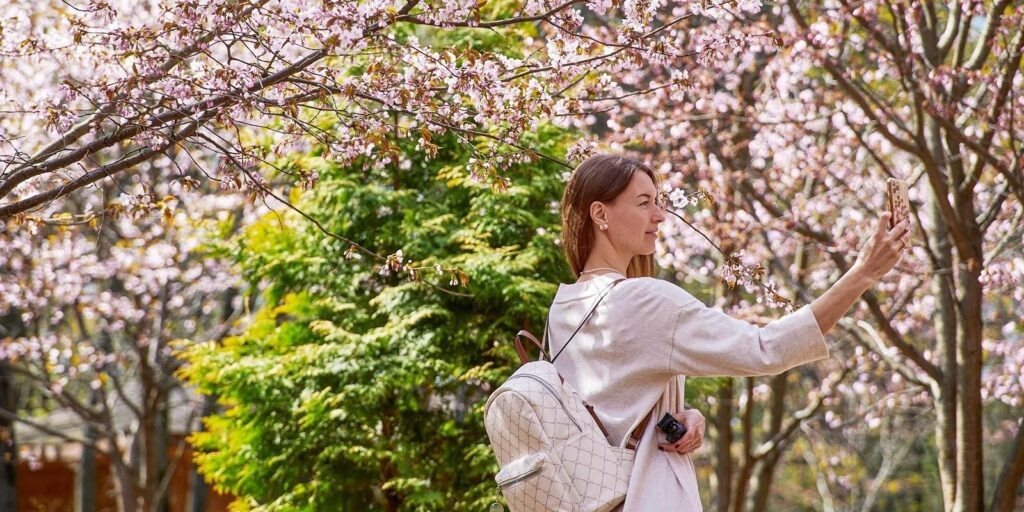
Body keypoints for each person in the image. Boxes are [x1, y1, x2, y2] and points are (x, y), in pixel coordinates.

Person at [548, 154, 911, 511]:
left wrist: (674, 414)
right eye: (644, 203)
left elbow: (604, 411)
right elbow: (766, 349)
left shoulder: (563, 307)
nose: (659, 216)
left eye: (657, 203)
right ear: (600, 214)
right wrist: (863, 272)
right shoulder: (644, 299)